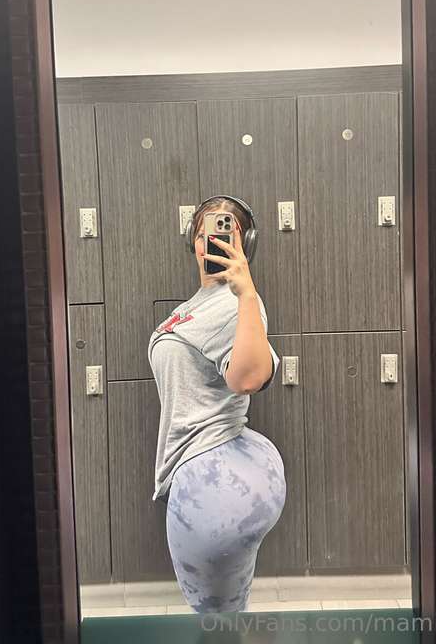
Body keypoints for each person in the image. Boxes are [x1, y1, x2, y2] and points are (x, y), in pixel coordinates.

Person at [148, 196, 287, 614]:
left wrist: (246, 293)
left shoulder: (236, 304)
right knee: (228, 619)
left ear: (246, 244)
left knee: (216, 625)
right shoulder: (195, 307)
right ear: (193, 240)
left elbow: (249, 377)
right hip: (216, 472)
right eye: (206, 230)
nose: (214, 238)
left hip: (212, 481)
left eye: (229, 230)